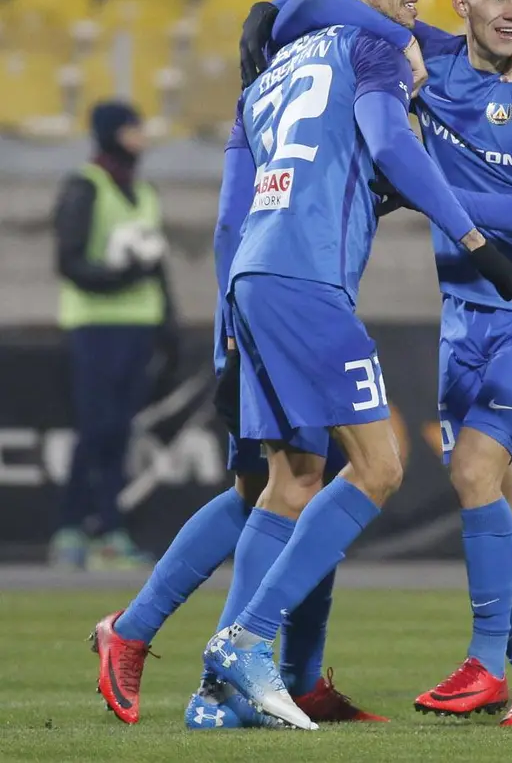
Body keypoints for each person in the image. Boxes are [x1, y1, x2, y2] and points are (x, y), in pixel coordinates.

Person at [199, 0, 512, 730]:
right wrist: (475, 241)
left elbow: (228, 215)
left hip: (254, 275)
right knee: (378, 467)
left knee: (291, 479)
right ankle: (243, 641)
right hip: (307, 278)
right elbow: (391, 144)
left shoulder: (273, 72)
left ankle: (216, 699)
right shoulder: (375, 45)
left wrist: (226, 327)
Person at [263, 0, 512, 727]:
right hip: (464, 317)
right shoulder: (428, 57)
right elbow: (311, 6)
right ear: (461, 4)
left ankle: (482, 663)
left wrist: (417, 184)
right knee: (492, 497)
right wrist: (270, 16)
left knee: (474, 472)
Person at [88, 69, 404, 726]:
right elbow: (231, 223)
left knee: (280, 487)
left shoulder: (278, 104)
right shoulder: (306, 91)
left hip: (257, 306)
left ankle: (164, 642)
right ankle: (221, 680)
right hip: (269, 310)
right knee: (296, 486)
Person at [51, 100, 178, 570]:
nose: (140, 137)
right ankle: (72, 528)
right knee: (96, 429)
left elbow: (158, 267)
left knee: (120, 432)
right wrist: (123, 275)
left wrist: (168, 323)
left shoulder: (144, 192)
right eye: (131, 128)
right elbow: (70, 262)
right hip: (95, 324)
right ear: (110, 133)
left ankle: (109, 530)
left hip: (137, 325)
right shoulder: (85, 185)